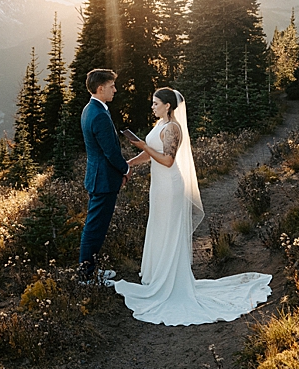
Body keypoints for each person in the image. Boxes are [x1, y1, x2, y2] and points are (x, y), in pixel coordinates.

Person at [113, 87, 271, 325]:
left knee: (170, 229)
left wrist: (142, 147)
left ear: (168, 105)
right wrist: (128, 164)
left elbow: (167, 160)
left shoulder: (173, 128)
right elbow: (150, 155)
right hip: (158, 186)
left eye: (156, 103)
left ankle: (172, 281)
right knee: (159, 226)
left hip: (171, 185)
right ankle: (158, 277)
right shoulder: (158, 126)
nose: (152, 107)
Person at [77, 69, 130, 284]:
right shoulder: (99, 114)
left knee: (96, 226)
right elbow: (110, 151)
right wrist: (125, 169)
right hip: (103, 180)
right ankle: (86, 276)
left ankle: (91, 270)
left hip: (98, 176)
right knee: (95, 227)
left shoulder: (90, 109)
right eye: (111, 86)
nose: (115, 90)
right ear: (100, 89)